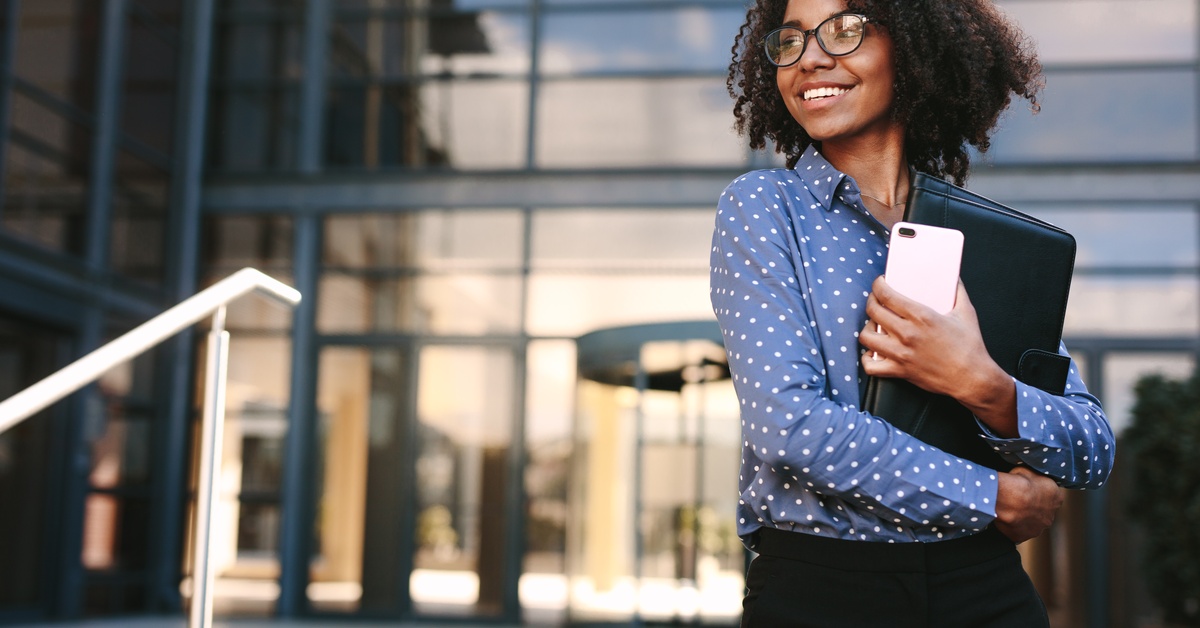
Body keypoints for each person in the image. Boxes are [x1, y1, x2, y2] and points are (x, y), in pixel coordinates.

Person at [709, 0, 1116, 626]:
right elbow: (788, 426)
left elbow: (1090, 448)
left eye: (844, 31)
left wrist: (980, 384)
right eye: (789, 41)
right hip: (825, 590)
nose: (810, 57)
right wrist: (993, 495)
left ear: (913, 48)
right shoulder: (767, 207)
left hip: (986, 587)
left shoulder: (975, 239)